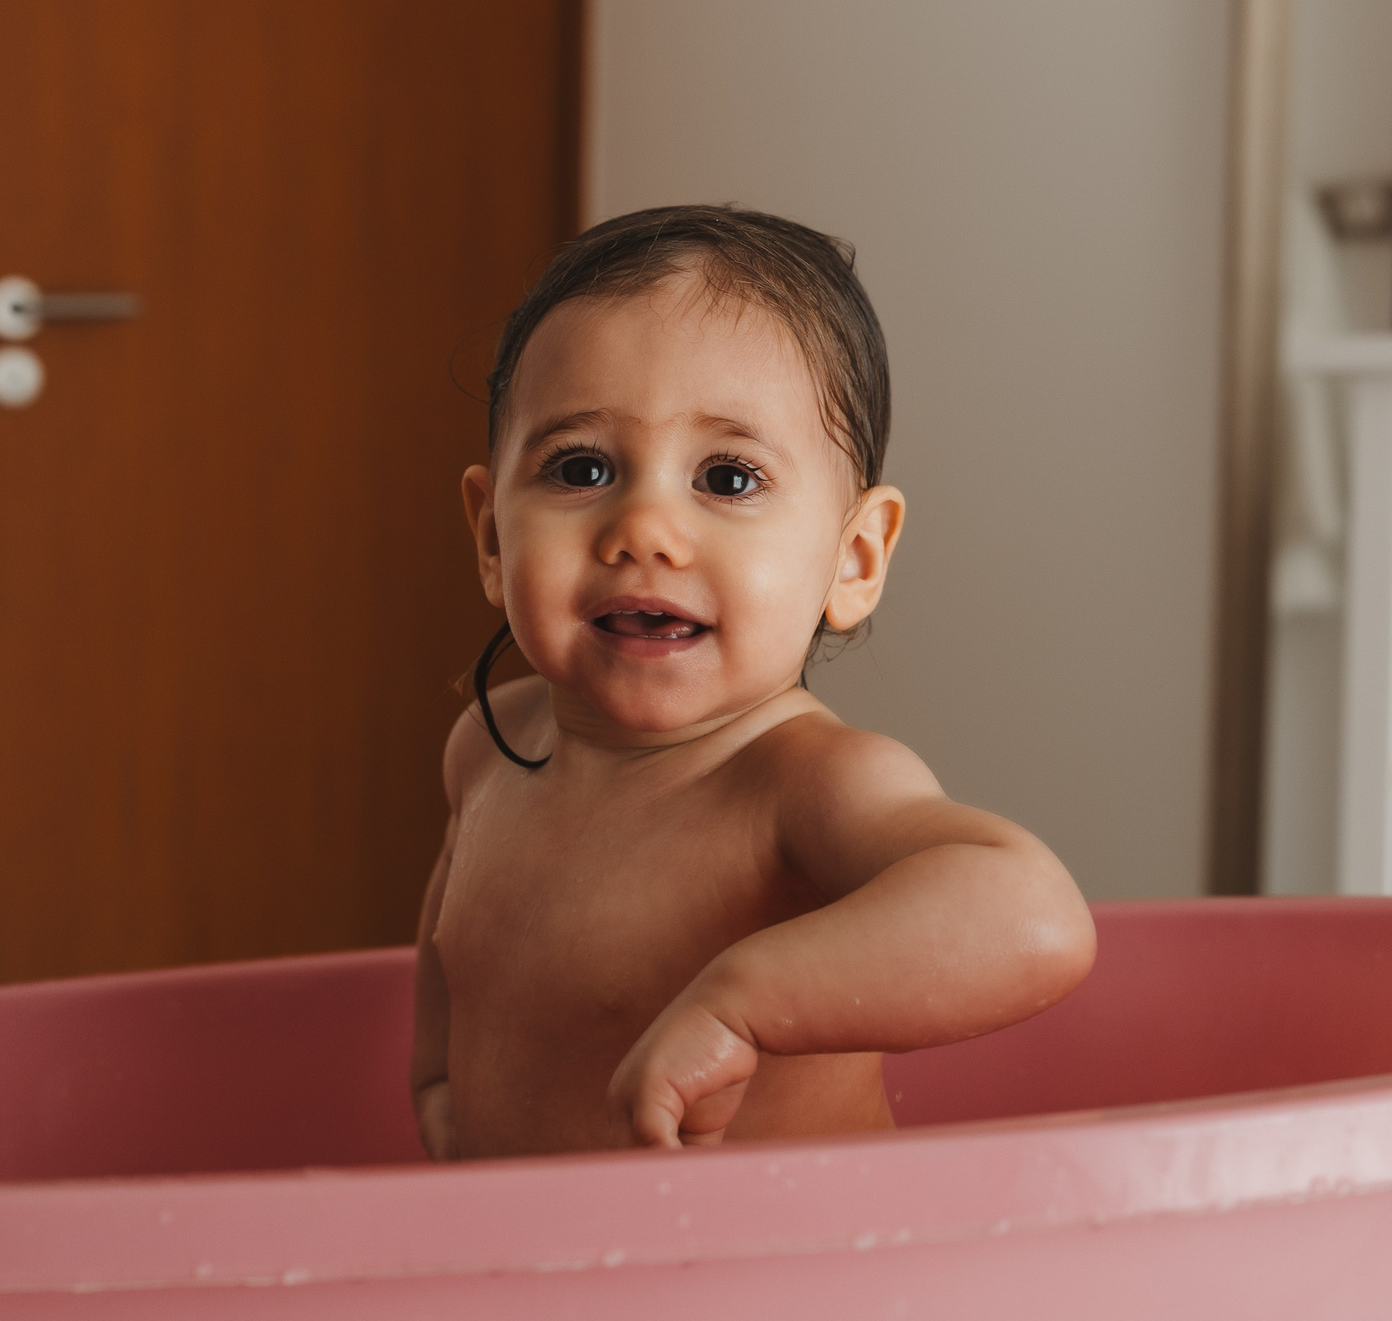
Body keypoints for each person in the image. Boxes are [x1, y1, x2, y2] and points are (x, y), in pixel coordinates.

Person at [410, 205, 1095, 1159]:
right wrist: (438, 1080)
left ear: (854, 558)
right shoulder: (487, 747)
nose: (644, 527)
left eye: (727, 479)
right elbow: (459, 943)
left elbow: (1032, 915)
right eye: (582, 466)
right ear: (491, 536)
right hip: (545, 1280)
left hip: (780, 1290)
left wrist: (746, 1002)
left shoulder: (803, 785)